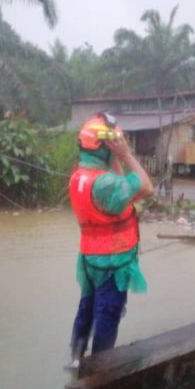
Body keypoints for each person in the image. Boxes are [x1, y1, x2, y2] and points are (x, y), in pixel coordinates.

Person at [68, 112, 154, 367]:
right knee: (108, 315)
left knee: (86, 310)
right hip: (112, 264)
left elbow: (116, 179)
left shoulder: (80, 177)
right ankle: (100, 372)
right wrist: (125, 155)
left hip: (90, 261)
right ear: (105, 147)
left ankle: (75, 361)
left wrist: (113, 155)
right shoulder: (105, 185)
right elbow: (147, 188)